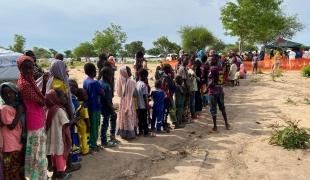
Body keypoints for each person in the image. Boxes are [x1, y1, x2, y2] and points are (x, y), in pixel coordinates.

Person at [16, 55, 47, 180]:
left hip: (37, 118)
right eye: (26, 68)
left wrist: (44, 82)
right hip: (34, 121)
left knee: (40, 152)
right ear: (20, 68)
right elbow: (41, 101)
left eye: (31, 67)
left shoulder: (28, 80)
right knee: (35, 154)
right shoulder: (25, 85)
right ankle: (37, 177)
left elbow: (41, 98)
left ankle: (41, 176)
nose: (29, 71)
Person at [0, 82, 25, 180]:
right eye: (5, 94)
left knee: (16, 168)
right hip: (10, 146)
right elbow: (11, 126)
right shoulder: (4, 109)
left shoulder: (12, 107)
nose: (8, 95)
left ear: (16, 94)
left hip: (14, 143)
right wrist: (19, 112)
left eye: (11, 93)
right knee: (12, 170)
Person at [45, 89, 72, 179]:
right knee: (60, 155)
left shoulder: (48, 110)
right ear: (56, 98)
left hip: (50, 139)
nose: (65, 98)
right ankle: (61, 174)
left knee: (54, 155)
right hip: (59, 138)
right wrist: (74, 120)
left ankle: (55, 173)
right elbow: (66, 123)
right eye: (63, 96)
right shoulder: (59, 110)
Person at [83, 63, 104, 151]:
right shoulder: (95, 82)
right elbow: (102, 93)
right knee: (95, 126)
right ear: (93, 72)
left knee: (90, 125)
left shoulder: (85, 81)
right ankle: (94, 145)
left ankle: (90, 143)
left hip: (88, 107)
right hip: (95, 107)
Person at [207, 57, 230, 132]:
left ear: (212, 62)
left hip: (213, 91)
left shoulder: (212, 69)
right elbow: (224, 80)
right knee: (222, 108)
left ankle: (215, 126)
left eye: (210, 60)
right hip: (220, 90)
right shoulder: (220, 68)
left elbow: (210, 82)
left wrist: (206, 88)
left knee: (213, 109)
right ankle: (226, 124)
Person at [116, 66, 137, 139]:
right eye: (129, 71)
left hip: (122, 102)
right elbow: (134, 94)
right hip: (130, 101)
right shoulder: (131, 81)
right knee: (129, 117)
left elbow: (118, 93)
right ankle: (130, 134)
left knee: (124, 117)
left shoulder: (120, 81)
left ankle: (124, 134)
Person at [99, 67, 118, 147]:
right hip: (106, 107)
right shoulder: (107, 86)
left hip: (101, 106)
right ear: (105, 75)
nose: (111, 76)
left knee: (105, 122)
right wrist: (112, 109)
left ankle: (109, 137)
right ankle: (105, 141)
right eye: (110, 75)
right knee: (106, 123)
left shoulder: (99, 82)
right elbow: (108, 100)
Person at [75, 88, 90, 155]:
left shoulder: (77, 103)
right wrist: (88, 125)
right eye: (85, 95)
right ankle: (85, 151)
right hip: (83, 123)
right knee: (84, 137)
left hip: (77, 123)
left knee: (79, 137)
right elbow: (86, 117)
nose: (87, 96)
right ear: (80, 96)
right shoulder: (84, 106)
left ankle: (80, 149)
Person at [136, 69, 150, 136]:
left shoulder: (137, 83)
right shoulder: (144, 85)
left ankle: (140, 131)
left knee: (140, 119)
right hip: (143, 105)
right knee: (144, 120)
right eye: (146, 76)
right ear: (144, 76)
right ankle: (146, 132)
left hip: (138, 105)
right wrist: (147, 104)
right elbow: (145, 96)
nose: (146, 77)